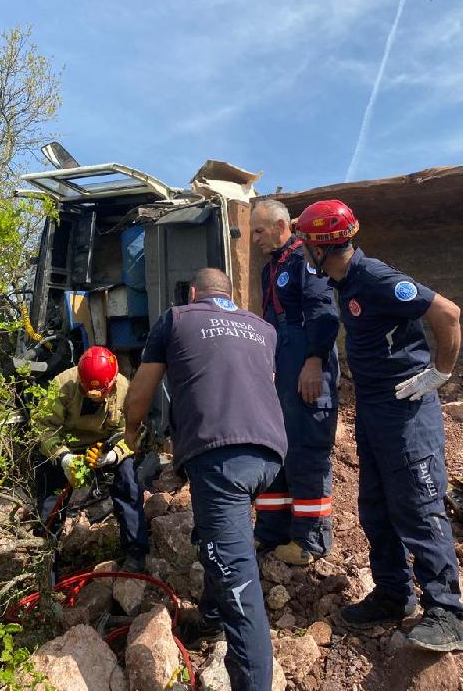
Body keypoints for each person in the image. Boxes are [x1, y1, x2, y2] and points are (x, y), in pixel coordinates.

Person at [294, 199, 463, 652]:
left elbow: (447, 314)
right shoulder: (344, 282)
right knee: (374, 505)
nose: (302, 250)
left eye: (306, 242)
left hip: (406, 411)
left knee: (417, 505)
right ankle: (394, 594)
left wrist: (440, 374)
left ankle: (448, 611)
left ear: (321, 247)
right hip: (373, 411)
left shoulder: (375, 279)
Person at [124, 268, 288, 691]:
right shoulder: (263, 329)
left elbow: (141, 394)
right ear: (230, 295)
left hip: (220, 457)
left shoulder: (177, 318)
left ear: (194, 292)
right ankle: (210, 618)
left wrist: (131, 432)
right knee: (219, 537)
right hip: (269, 454)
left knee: (241, 586)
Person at [250, 199, 339, 565]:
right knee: (277, 447)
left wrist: (314, 361)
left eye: (259, 230)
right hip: (281, 362)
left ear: (282, 226)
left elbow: (324, 313)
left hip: (305, 359)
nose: (253, 238)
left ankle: (310, 540)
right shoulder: (272, 267)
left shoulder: (306, 260)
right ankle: (272, 533)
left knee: (306, 448)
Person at [34, 345, 148, 572]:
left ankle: (135, 552)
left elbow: (135, 431)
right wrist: (63, 457)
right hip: (66, 448)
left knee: (128, 482)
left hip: (104, 450)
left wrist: (115, 455)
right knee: (49, 495)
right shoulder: (61, 385)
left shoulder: (124, 388)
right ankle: (48, 559)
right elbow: (42, 428)